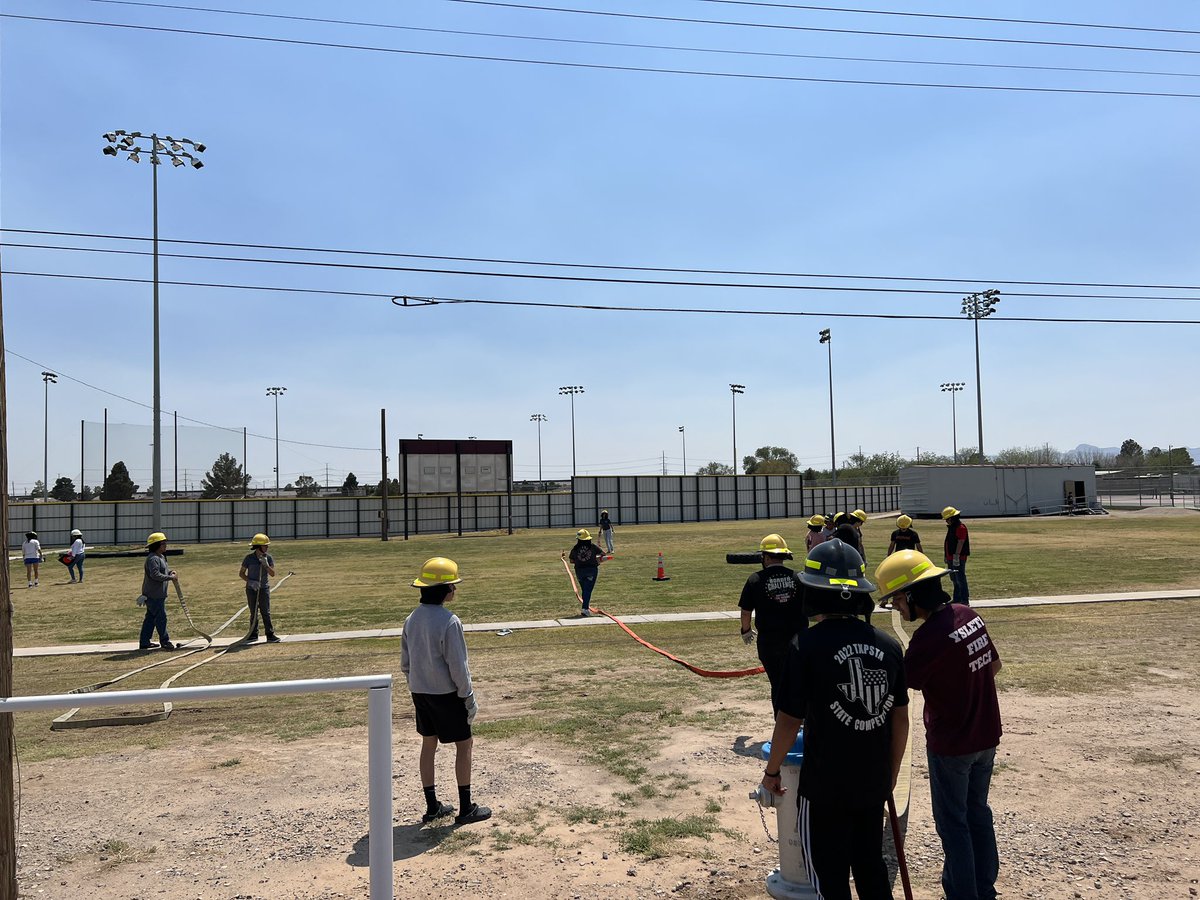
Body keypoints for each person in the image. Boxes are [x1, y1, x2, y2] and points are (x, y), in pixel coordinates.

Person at [761, 538, 909, 900]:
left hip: (824, 788)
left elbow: (789, 720)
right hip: (871, 782)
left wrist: (772, 771)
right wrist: (889, 774)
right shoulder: (889, 646)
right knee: (871, 868)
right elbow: (900, 719)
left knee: (829, 879)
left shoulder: (805, 646)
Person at [875, 550, 1002, 900]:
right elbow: (994, 666)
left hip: (952, 744)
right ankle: (984, 888)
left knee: (953, 824)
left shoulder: (927, 639)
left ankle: (963, 894)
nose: (896, 607)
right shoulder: (967, 614)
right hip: (986, 735)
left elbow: (899, 689)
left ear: (912, 594)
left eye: (897, 599)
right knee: (978, 813)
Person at [400, 557, 491, 826]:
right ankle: (466, 807)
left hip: (420, 692)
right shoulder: (450, 621)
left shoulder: (411, 619)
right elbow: (458, 666)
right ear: (444, 589)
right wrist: (468, 696)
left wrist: (418, 683)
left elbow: (406, 663)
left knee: (428, 744)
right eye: (453, 585)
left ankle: (432, 806)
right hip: (448, 695)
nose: (455, 589)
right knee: (464, 744)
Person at [738, 533, 807, 715]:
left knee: (777, 683)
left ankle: (782, 722)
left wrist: (746, 630)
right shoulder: (799, 578)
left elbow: (746, 612)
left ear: (767, 557)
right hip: (798, 641)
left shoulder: (755, 579)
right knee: (798, 682)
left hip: (770, 643)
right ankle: (802, 720)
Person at [140, 532, 180, 651]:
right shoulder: (153, 559)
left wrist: (170, 572)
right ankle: (165, 641)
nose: (165, 545)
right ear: (156, 545)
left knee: (150, 619)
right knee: (161, 618)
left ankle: (144, 642)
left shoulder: (161, 557)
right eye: (163, 543)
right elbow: (155, 575)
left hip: (158, 595)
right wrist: (170, 577)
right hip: (154, 595)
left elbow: (163, 571)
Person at [239, 533, 280, 643]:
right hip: (251, 589)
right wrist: (251, 582)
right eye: (265, 545)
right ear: (258, 546)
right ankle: (253, 634)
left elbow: (272, 574)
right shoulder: (249, 558)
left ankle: (270, 635)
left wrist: (266, 565)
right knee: (253, 612)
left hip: (263, 589)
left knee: (265, 611)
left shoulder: (268, 558)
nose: (267, 547)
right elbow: (241, 573)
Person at [568, 528, 608, 616]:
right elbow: (604, 554)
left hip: (579, 571)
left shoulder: (575, 548)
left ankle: (585, 607)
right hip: (591, 570)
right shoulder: (593, 546)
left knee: (585, 590)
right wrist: (596, 558)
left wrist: (580, 561)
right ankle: (585, 609)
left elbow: (571, 560)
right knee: (587, 590)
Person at [942, 506, 972, 605]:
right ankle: (957, 598)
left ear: (952, 518)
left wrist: (956, 556)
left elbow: (961, 542)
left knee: (960, 578)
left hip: (958, 558)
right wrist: (946, 556)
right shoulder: (952, 527)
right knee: (954, 579)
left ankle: (964, 599)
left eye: (947, 519)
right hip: (950, 557)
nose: (946, 521)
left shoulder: (960, 527)